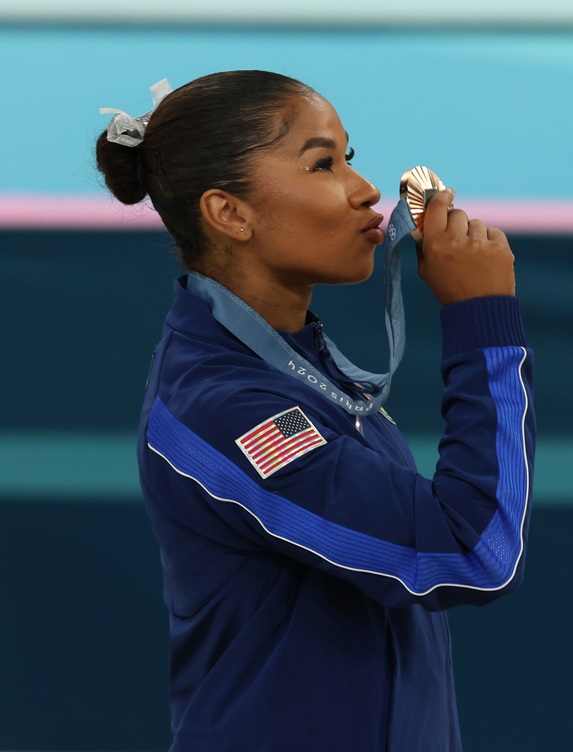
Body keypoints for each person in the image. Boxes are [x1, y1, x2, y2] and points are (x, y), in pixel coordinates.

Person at [95, 70, 534, 751]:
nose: (366, 190)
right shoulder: (228, 408)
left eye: (349, 157)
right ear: (229, 213)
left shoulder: (292, 359)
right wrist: (483, 323)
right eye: (322, 164)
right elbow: (473, 552)